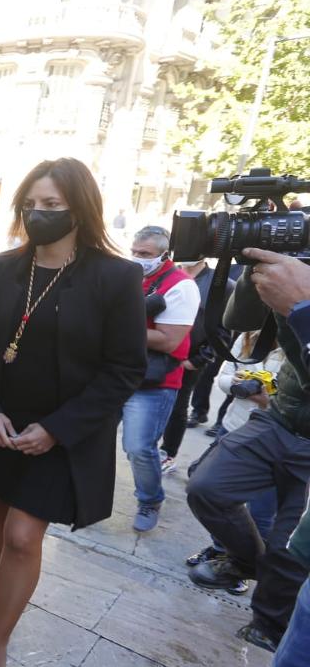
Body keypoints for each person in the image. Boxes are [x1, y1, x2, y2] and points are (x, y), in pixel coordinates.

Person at [0, 158, 146, 667]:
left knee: (21, 535)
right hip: (0, 421)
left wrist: (59, 429)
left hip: (61, 432)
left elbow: (125, 367)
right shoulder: (1, 268)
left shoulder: (116, 276)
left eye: (52, 205)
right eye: (31, 205)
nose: (39, 214)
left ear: (80, 208)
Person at [186, 246, 310, 652]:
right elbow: (237, 322)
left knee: (289, 547)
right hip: (282, 418)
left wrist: (303, 306)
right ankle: (246, 562)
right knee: (207, 486)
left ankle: (270, 625)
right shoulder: (299, 267)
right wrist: (256, 268)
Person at [183, 330, 282, 595]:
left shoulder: (301, 344)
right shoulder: (250, 335)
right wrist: (239, 385)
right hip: (234, 428)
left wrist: (267, 401)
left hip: (274, 443)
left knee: (261, 512)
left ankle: (245, 565)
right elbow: (223, 377)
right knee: (217, 499)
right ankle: (220, 551)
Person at [121, 226, 200, 532]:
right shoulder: (133, 277)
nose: (138, 258)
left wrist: (116, 326)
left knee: (139, 447)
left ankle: (150, 499)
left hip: (153, 382)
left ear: (164, 255)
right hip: (115, 372)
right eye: (135, 252)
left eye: (145, 255)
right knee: (93, 437)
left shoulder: (181, 286)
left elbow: (169, 340)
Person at [158, 258, 233, 473]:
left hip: (187, 359)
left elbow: (223, 330)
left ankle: (168, 453)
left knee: (177, 406)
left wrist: (197, 360)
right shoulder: (167, 274)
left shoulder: (222, 285)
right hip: (155, 352)